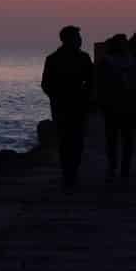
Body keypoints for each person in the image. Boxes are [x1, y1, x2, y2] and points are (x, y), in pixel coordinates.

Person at [42, 25, 95, 190]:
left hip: (71, 104)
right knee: (71, 140)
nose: (80, 40)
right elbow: (46, 84)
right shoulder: (57, 58)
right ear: (69, 39)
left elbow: (91, 81)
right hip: (67, 105)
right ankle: (70, 173)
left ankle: (70, 173)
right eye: (78, 38)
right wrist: (59, 96)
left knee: (71, 141)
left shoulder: (58, 58)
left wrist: (84, 95)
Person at [94, 34, 136, 183]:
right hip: (127, 106)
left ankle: (113, 167)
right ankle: (124, 168)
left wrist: (99, 102)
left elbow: (98, 85)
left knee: (113, 139)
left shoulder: (105, 63)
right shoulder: (134, 63)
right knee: (127, 139)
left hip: (113, 107)